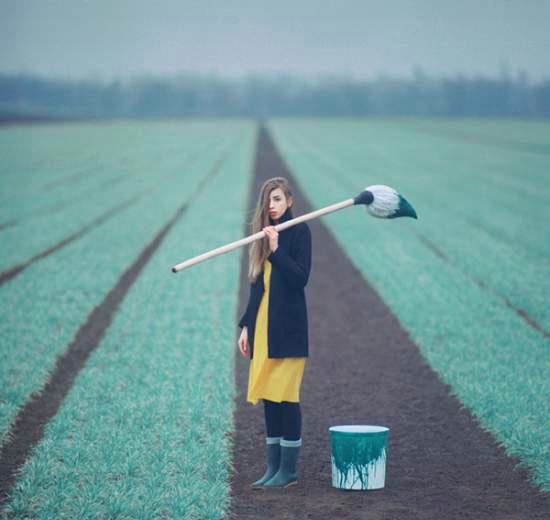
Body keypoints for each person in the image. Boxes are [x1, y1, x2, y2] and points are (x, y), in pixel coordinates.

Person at [237, 176, 312, 489]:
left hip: (288, 330)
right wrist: (245, 326)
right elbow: (258, 287)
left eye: (278, 199)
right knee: (269, 398)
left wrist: (277, 249)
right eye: (268, 200)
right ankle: (272, 468)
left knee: (286, 397)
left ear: (290, 201)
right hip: (263, 330)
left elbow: (299, 279)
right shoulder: (262, 236)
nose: (272, 205)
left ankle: (288, 472)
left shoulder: (298, 232)